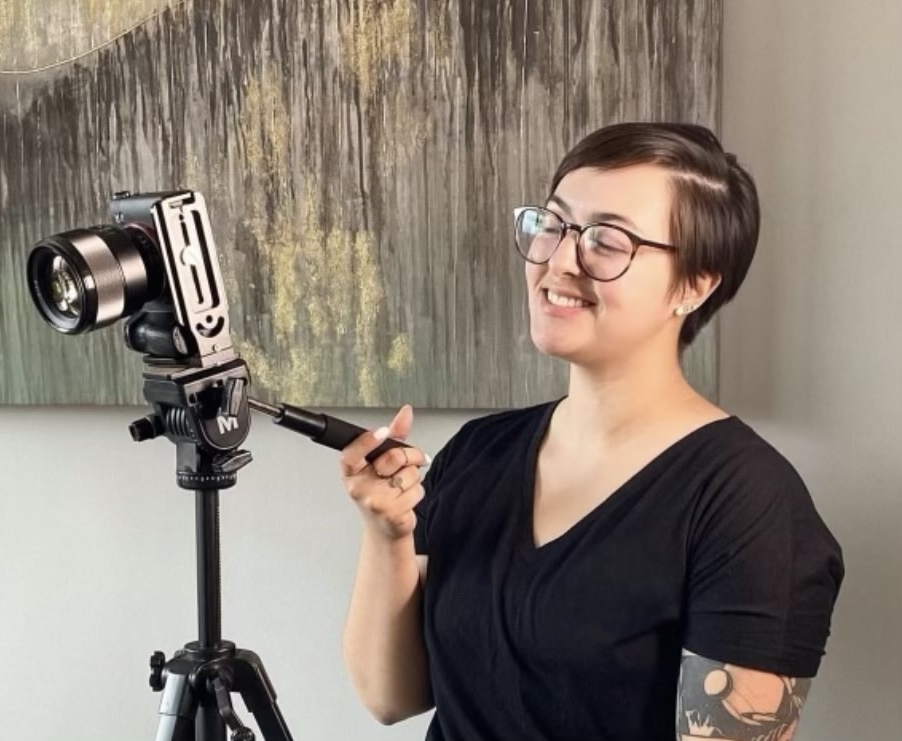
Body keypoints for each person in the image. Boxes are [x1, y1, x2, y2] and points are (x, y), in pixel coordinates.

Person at [338, 122, 844, 741]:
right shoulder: (479, 451)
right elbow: (391, 697)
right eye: (554, 224)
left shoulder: (749, 505)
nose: (559, 259)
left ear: (694, 285)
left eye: (607, 240)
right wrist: (387, 534)